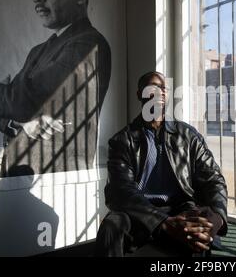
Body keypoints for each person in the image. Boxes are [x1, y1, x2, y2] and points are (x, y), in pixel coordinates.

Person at [0, 0, 111, 176]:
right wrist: (22, 124)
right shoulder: (38, 51)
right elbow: (16, 107)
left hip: (57, 177)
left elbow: (22, 102)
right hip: (19, 175)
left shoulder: (88, 44)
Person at [95, 72, 228, 257]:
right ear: (139, 94)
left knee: (197, 228)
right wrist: (163, 222)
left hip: (180, 207)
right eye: (152, 87)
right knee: (111, 226)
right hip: (138, 211)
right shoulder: (122, 141)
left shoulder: (189, 136)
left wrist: (219, 217)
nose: (159, 92)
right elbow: (120, 191)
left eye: (163, 88)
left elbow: (213, 179)